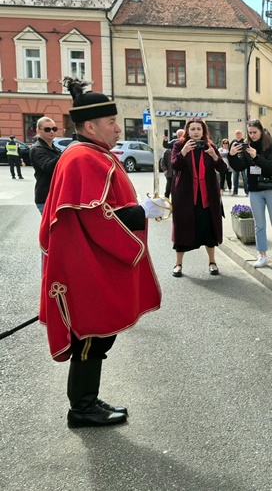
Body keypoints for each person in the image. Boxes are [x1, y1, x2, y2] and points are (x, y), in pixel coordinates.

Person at [39, 77, 164, 427]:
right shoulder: (82, 157)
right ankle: (82, 408)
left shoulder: (89, 153)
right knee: (91, 334)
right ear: (90, 126)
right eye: (111, 122)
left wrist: (138, 209)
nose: (118, 128)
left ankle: (87, 400)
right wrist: (140, 213)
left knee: (96, 336)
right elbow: (95, 216)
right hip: (86, 263)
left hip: (88, 260)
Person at [228, 119, 272, 268]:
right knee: (259, 225)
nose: (252, 135)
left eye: (254, 132)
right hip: (255, 190)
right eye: (249, 132)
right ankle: (262, 255)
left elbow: (271, 168)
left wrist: (256, 156)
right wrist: (232, 155)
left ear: (261, 131)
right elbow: (239, 167)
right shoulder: (246, 147)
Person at [170, 118, 227, 277]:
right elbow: (174, 165)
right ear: (187, 131)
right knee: (183, 229)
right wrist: (183, 152)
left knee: (208, 229)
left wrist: (214, 156)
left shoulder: (210, 146)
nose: (196, 132)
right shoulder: (179, 145)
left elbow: (222, 168)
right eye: (193, 129)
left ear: (203, 131)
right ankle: (178, 264)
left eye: (198, 129)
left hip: (207, 197)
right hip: (186, 196)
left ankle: (212, 262)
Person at [30, 117, 62, 214]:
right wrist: (65, 154)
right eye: (47, 129)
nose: (52, 132)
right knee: (51, 224)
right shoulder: (37, 149)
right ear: (38, 130)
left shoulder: (54, 148)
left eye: (54, 129)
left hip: (55, 196)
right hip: (46, 198)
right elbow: (48, 167)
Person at [162, 129, 184, 199]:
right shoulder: (174, 142)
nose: (180, 136)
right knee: (170, 185)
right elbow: (166, 145)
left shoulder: (187, 142)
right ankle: (167, 198)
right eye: (178, 135)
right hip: (172, 169)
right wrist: (165, 140)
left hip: (182, 167)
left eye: (181, 134)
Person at [230, 129, 249, 197]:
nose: (238, 135)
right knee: (235, 178)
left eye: (239, 133)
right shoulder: (233, 142)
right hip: (236, 162)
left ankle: (247, 192)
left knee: (245, 177)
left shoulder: (244, 141)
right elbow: (230, 151)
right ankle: (235, 192)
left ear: (241, 134)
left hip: (243, 162)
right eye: (237, 133)